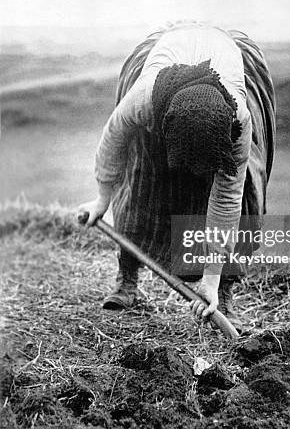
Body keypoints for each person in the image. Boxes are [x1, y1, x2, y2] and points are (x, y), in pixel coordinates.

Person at [78, 21, 275, 331]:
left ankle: (223, 293)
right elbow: (112, 142)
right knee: (140, 180)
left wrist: (208, 279)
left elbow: (227, 198)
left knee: (248, 185)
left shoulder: (239, 119)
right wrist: (102, 199)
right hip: (166, 75)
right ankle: (126, 277)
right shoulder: (143, 100)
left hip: (219, 60)